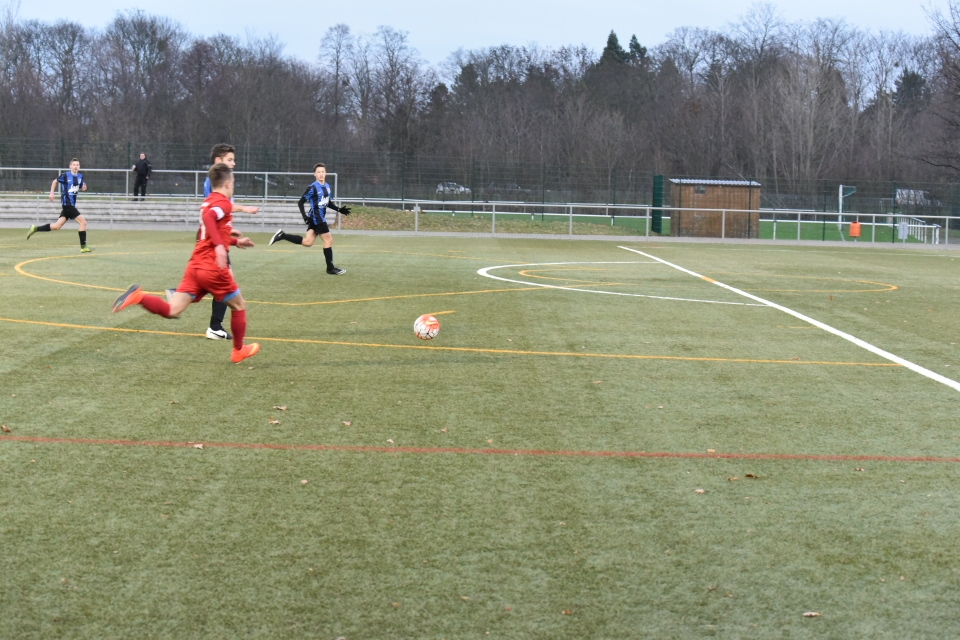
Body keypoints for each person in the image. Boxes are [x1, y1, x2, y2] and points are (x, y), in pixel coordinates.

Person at [112, 163, 260, 364]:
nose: (233, 186)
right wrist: (220, 246)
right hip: (212, 268)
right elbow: (210, 218)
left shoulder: (208, 201)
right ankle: (238, 350)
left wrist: (234, 241)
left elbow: (205, 232)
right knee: (239, 305)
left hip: (195, 266)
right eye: (233, 182)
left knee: (172, 310)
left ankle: (139, 296)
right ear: (227, 184)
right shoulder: (222, 203)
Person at [166, 143, 259, 340]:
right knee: (224, 281)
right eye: (230, 160)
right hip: (211, 239)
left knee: (219, 282)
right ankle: (215, 327)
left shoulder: (219, 181)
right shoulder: (216, 182)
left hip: (215, 236)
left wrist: (228, 232)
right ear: (218, 161)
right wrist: (243, 210)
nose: (233, 163)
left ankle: (211, 322)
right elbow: (214, 211)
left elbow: (216, 212)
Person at [269, 163, 350, 274]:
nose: (321, 174)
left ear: (326, 173)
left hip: (315, 218)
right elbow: (300, 202)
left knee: (308, 242)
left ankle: (283, 235)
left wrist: (339, 209)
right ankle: (330, 268)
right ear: (314, 174)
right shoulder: (313, 187)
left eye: (323, 172)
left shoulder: (327, 186)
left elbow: (327, 202)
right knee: (329, 240)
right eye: (318, 172)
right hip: (317, 219)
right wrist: (305, 217)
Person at [27, 158, 92, 253]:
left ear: (79, 166)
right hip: (67, 205)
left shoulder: (80, 176)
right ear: (70, 166)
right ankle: (83, 247)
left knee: (57, 226)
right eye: (74, 165)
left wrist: (83, 188)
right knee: (83, 223)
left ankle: (35, 228)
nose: (76, 166)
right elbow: (55, 181)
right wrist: (51, 193)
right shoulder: (65, 175)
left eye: (77, 165)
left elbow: (81, 187)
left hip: (70, 205)